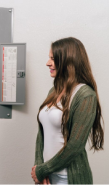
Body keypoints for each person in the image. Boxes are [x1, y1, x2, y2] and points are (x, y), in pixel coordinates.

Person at [31, 37, 104, 185]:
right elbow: (42, 134)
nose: (48, 63)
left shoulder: (85, 95)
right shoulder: (54, 90)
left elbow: (75, 146)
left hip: (68, 179)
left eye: (53, 58)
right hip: (47, 176)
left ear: (68, 60)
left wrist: (42, 170)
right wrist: (39, 168)